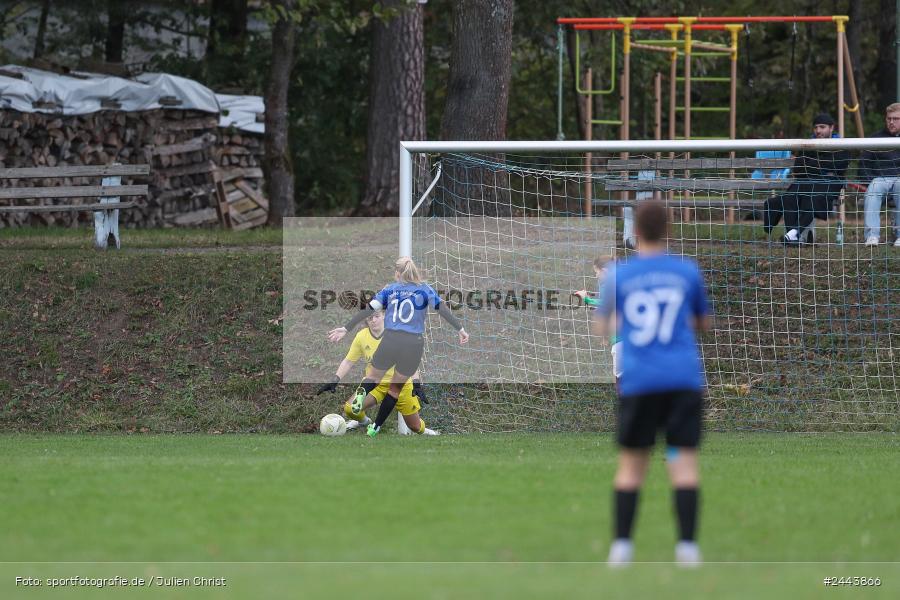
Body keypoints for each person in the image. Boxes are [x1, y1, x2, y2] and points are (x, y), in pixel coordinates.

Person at [593, 201, 712, 567]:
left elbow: (602, 327)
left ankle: (622, 548)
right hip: (681, 380)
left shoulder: (618, 276)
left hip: (640, 382)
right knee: (683, 463)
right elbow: (703, 323)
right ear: (668, 231)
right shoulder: (687, 271)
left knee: (631, 465)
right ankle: (687, 549)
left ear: (636, 233)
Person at [327, 256, 469, 437]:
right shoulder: (424, 289)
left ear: (397, 273)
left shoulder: (390, 289)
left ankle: (362, 394)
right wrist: (461, 329)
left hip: (391, 340)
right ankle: (376, 427)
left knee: (371, 377)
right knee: (395, 390)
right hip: (413, 344)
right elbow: (442, 310)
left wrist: (346, 328)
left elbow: (369, 310)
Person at [317, 310, 439, 436]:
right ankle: (364, 422)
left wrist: (416, 383)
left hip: (401, 386)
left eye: (377, 316)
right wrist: (335, 379)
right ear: (366, 320)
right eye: (370, 318)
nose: (373, 320)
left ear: (385, 316)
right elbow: (348, 361)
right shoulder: (361, 337)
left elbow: (411, 364)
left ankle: (429, 432)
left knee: (415, 427)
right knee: (350, 409)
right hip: (375, 384)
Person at [762, 113, 850, 245]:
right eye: (816, 127)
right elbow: (798, 169)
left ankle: (794, 233)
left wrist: (813, 166)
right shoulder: (808, 145)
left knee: (812, 197)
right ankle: (794, 237)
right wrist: (822, 167)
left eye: (822, 127)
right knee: (789, 197)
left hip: (829, 185)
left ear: (831, 128)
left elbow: (840, 165)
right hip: (806, 183)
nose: (818, 130)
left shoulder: (841, 145)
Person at [574, 256, 622, 385]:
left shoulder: (609, 284)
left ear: (605, 271)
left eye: (596, 272)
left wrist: (587, 299)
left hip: (621, 343)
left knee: (621, 382)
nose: (596, 276)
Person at [860, 103, 900, 247]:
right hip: (879, 179)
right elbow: (863, 163)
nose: (891, 122)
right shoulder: (875, 138)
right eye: (889, 118)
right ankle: (872, 236)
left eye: (895, 119)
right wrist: (869, 182)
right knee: (874, 187)